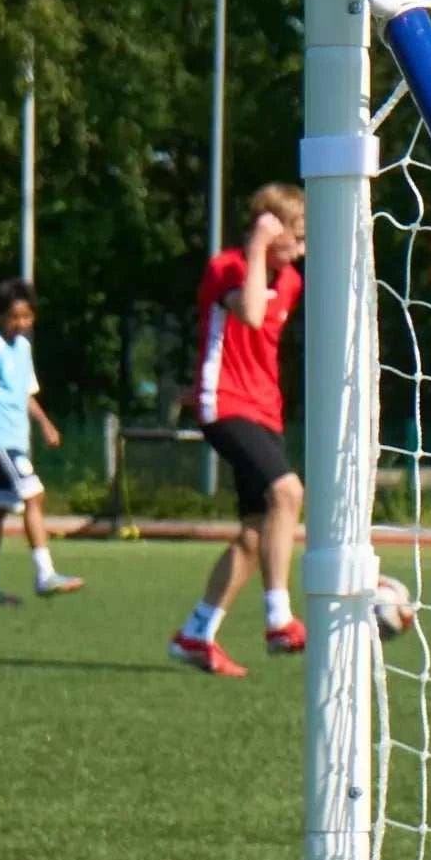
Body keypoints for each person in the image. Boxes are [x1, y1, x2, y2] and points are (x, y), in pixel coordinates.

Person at [172, 184, 305, 677]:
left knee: (254, 535)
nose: (303, 248)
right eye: (298, 235)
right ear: (269, 229)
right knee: (288, 493)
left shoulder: (290, 279)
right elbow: (249, 313)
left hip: (265, 411)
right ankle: (278, 619)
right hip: (224, 404)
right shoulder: (227, 266)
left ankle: (196, 633)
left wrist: (271, 255)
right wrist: (255, 247)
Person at [0, 276, 80, 603]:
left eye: (27, 317)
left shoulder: (24, 349)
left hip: (19, 439)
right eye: (14, 317)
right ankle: (45, 575)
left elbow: (25, 393)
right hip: (2, 442)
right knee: (35, 495)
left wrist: (45, 423)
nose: (21, 323)